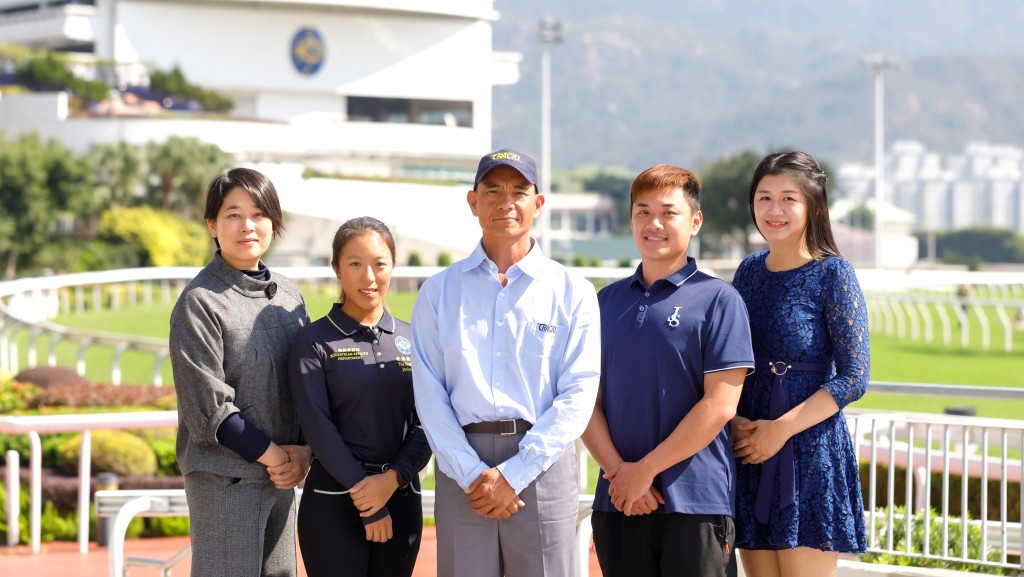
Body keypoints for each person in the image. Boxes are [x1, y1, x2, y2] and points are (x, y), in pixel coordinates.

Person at [411, 148, 601, 577]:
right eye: (492, 190)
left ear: (538, 202)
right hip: (464, 471)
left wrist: (516, 473)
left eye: (519, 190)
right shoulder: (439, 291)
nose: (505, 202)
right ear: (472, 201)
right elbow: (430, 394)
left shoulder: (572, 290)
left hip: (543, 465)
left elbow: (579, 392)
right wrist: (472, 473)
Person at [581, 164, 755, 577]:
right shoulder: (603, 303)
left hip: (696, 504)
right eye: (642, 211)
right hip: (620, 500)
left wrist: (645, 472)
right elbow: (583, 399)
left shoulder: (719, 300)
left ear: (694, 221)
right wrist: (620, 475)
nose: (653, 223)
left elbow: (720, 406)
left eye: (667, 212)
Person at [731, 151, 869, 577]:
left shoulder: (834, 274)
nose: (774, 210)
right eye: (764, 197)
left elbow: (854, 377)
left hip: (810, 454)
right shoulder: (748, 272)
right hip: (751, 448)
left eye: (788, 198)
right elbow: (729, 360)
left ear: (812, 205)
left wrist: (782, 429)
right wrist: (734, 420)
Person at [170, 167, 312, 577]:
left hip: (282, 478)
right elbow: (210, 411)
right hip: (226, 483)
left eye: (259, 214)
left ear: (273, 222)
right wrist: (280, 458)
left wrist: (303, 452)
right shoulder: (200, 302)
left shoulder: (288, 294)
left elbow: (306, 386)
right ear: (212, 225)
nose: (247, 226)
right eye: (233, 214)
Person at [288, 217, 432, 577]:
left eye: (379, 264)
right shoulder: (314, 341)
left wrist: (393, 479)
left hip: (400, 495)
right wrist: (366, 498)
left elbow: (430, 421)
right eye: (355, 264)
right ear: (336, 268)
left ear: (393, 266)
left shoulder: (415, 339)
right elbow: (317, 427)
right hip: (333, 503)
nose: (369, 277)